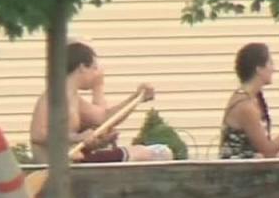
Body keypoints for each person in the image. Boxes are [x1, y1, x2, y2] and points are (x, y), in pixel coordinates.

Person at [28, 41, 172, 163]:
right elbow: (38, 133)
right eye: (94, 68)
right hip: (56, 167)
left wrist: (136, 98)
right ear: (82, 67)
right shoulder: (53, 95)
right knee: (151, 153)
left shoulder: (74, 99)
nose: (96, 74)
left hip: (76, 162)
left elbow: (104, 118)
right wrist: (76, 137)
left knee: (156, 153)